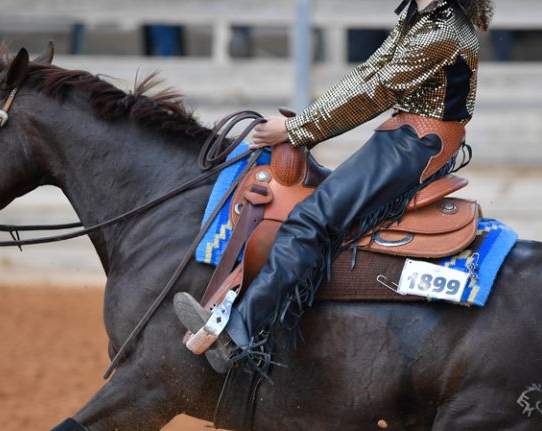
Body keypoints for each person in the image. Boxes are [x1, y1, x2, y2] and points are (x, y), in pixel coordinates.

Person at [175, 0, 493, 374]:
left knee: (310, 218)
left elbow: (375, 91)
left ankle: (240, 333)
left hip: (414, 146)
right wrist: (305, 122)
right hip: (405, 136)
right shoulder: (424, 18)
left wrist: (295, 130)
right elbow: (369, 72)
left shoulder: (441, 30)